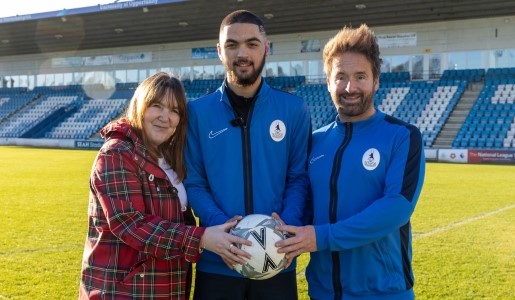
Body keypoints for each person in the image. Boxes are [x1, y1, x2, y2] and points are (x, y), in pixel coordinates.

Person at [275, 24, 426, 300]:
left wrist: (321, 238)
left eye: (360, 76)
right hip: (322, 292)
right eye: (340, 77)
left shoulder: (402, 136)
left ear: (376, 80)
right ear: (328, 82)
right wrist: (284, 233)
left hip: (384, 292)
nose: (350, 87)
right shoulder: (315, 141)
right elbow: (305, 204)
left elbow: (396, 208)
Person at [79, 72, 251, 300]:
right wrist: (201, 238)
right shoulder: (117, 153)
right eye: (157, 106)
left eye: (174, 110)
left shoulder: (170, 158)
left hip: (166, 289)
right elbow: (130, 223)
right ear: (140, 106)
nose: (165, 116)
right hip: (123, 291)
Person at [184, 10, 311, 300]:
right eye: (232, 45)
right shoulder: (197, 113)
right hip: (218, 262)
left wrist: (283, 229)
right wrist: (224, 231)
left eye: (252, 44)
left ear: (266, 48)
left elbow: (299, 178)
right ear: (219, 51)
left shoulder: (294, 110)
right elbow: (194, 181)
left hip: (277, 259)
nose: (242, 53)